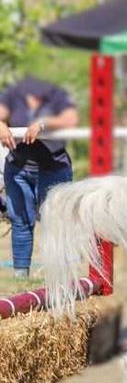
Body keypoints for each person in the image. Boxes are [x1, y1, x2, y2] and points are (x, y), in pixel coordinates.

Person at [0, 77, 78, 278]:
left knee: (55, 223)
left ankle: (60, 276)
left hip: (54, 168)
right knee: (21, 223)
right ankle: (21, 277)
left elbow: (70, 119)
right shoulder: (12, 96)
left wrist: (42, 123)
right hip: (18, 169)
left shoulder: (58, 97)